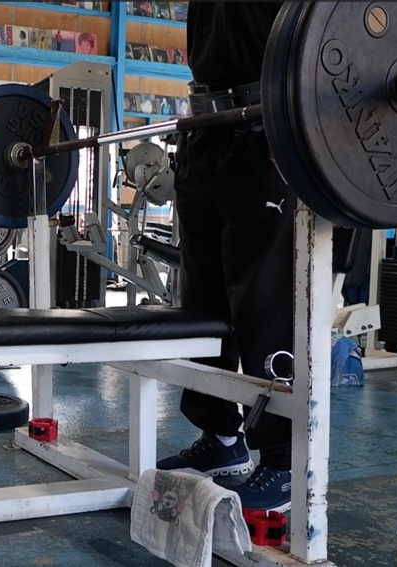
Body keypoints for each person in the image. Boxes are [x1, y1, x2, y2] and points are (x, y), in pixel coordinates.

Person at [156, 2, 295, 513]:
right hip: (205, 133)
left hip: (266, 130)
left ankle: (285, 461)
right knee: (202, 305)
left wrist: (298, 126)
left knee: (265, 309)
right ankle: (220, 438)